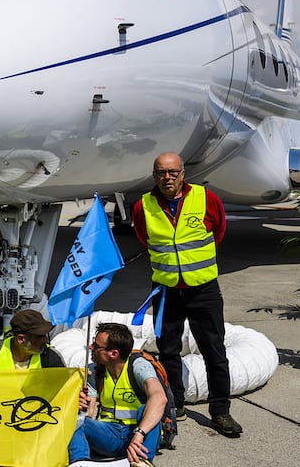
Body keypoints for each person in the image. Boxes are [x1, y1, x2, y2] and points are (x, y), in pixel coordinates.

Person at [131, 152, 242, 436]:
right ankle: (175, 404)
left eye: (172, 172)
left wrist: (193, 268)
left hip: (203, 290)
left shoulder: (206, 198)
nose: (166, 178)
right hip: (167, 291)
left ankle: (220, 411)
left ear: (182, 173)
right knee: (168, 351)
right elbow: (145, 238)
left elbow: (218, 231)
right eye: (160, 173)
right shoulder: (143, 206)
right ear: (154, 175)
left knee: (214, 352)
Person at [68, 323, 166, 466]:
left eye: (96, 346)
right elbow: (88, 414)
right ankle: (81, 462)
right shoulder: (95, 371)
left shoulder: (138, 366)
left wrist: (139, 433)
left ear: (113, 353)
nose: (91, 348)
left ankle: (142, 462)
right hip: (110, 435)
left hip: (139, 437)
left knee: (146, 407)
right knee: (75, 420)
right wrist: (79, 406)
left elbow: (160, 398)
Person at [0, 309, 65, 370]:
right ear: (20, 339)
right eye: (39, 336)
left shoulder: (51, 357)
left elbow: (65, 389)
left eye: (45, 335)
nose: (46, 340)